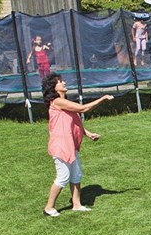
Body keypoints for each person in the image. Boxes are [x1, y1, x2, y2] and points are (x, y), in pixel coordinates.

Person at [42, 73, 114, 217]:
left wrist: (87, 133)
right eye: (60, 82)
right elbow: (83, 109)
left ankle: (77, 205)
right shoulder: (57, 102)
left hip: (70, 145)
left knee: (76, 174)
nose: (64, 83)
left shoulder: (64, 102)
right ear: (53, 87)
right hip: (61, 146)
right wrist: (103, 98)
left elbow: (74, 121)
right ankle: (49, 208)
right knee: (63, 177)